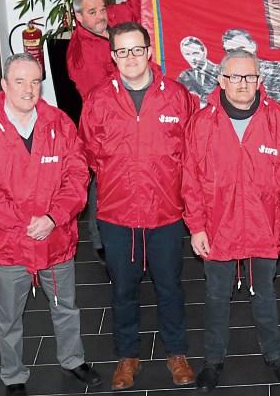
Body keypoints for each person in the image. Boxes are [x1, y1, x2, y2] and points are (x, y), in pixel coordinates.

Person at [0, 54, 100, 396]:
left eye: (35, 82)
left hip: (56, 238)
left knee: (66, 307)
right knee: (9, 317)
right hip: (8, 243)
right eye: (20, 82)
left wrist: (53, 218)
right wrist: (22, 221)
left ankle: (73, 359)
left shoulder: (59, 123)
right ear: (4, 85)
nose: (29, 89)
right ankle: (13, 375)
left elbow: (77, 175)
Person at [182, 49, 280, 391]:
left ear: (259, 80)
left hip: (265, 227)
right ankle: (212, 361)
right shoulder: (201, 123)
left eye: (250, 77)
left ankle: (275, 357)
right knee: (216, 298)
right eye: (235, 77)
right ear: (221, 81)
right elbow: (190, 181)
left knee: (264, 295)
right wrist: (196, 227)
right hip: (217, 229)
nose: (242, 84)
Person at [79, 22, 195, 391]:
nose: (130, 58)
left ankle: (176, 352)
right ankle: (127, 356)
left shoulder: (177, 97)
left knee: (170, 286)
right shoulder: (98, 100)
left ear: (149, 51)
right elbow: (89, 155)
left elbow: (192, 153)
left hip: (166, 212)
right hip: (118, 214)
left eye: (136, 49)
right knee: (123, 289)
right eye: (122, 51)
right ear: (113, 57)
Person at [66, 0, 142, 259]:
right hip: (103, 125)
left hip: (129, 115)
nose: (101, 17)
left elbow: (128, 10)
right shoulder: (81, 53)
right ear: (78, 16)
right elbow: (102, 93)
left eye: (101, 10)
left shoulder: (107, 20)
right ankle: (100, 240)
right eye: (92, 12)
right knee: (102, 177)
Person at [222, 28, 280, 102]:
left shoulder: (276, 70)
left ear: (253, 46)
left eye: (241, 49)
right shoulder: (221, 73)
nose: (237, 54)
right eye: (230, 51)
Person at [177, 36, 220, 107]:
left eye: (195, 53)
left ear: (204, 51)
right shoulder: (184, 77)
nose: (192, 58)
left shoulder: (220, 71)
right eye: (187, 54)